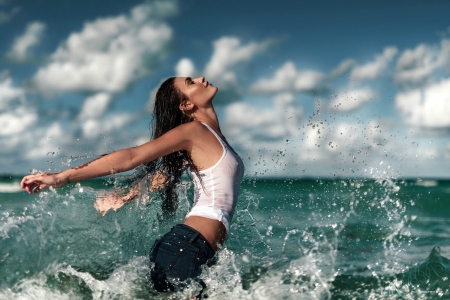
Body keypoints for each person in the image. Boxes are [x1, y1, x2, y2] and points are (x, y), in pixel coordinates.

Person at [20, 76, 245, 297]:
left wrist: (127, 195)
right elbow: (132, 157)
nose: (200, 77)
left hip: (191, 249)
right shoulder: (196, 131)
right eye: (191, 82)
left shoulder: (212, 136)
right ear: (186, 104)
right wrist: (62, 178)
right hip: (187, 248)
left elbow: (163, 176)